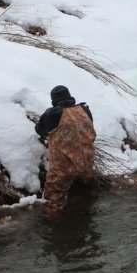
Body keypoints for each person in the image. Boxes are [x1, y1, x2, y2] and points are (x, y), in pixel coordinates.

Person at [35, 85, 96, 216]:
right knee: (87, 191)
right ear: (70, 97)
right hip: (87, 161)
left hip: (64, 167)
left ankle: (53, 226)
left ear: (53, 101)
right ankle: (88, 202)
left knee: (53, 201)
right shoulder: (84, 109)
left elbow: (39, 130)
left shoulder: (52, 115)